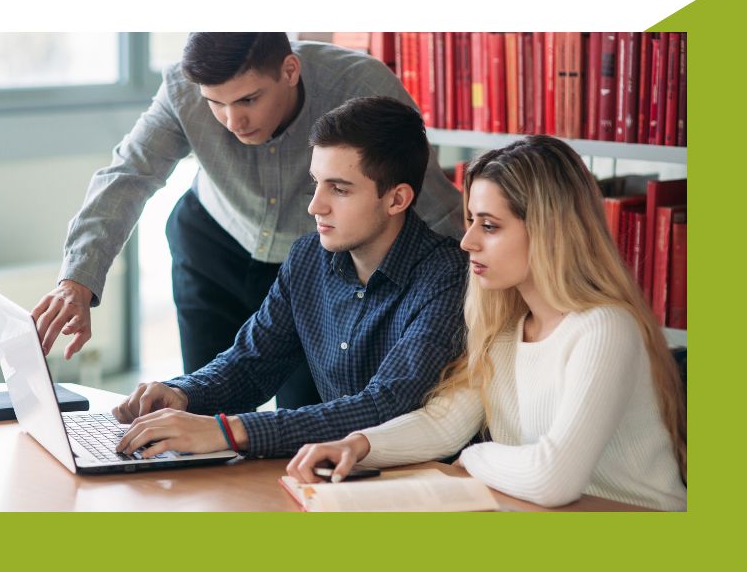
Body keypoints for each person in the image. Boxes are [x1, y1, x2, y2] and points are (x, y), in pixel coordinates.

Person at [30, 33, 463, 410]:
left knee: (308, 415)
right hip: (212, 246)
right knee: (198, 399)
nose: (232, 121)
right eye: (215, 104)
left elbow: (427, 198)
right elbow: (128, 175)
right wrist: (78, 281)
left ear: (289, 70)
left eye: (248, 99)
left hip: (312, 266)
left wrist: (478, 292)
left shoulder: (359, 85)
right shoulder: (182, 88)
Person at [286, 135, 687, 511]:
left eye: (490, 226)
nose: (467, 242)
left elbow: (553, 479)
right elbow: (444, 423)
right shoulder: (507, 331)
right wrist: (356, 446)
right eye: (471, 221)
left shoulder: (604, 328)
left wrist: (474, 455)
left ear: (550, 233)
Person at [112, 96, 467, 459]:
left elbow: (384, 408)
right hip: (334, 476)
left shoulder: (448, 278)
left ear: (397, 200)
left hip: (422, 486)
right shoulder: (308, 258)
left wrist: (229, 431)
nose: (316, 205)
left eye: (340, 189)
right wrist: (183, 393)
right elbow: (251, 363)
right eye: (316, 183)